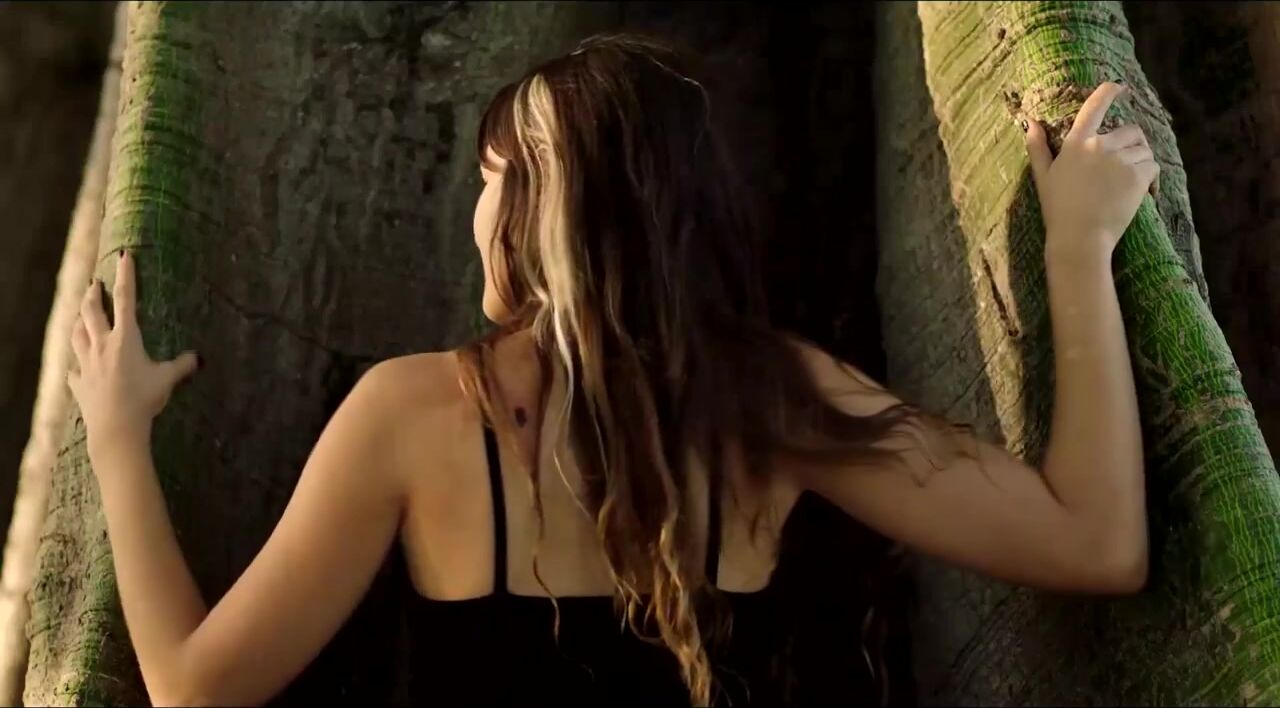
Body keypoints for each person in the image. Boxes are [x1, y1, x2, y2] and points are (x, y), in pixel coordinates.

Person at [67, 34, 1157, 707]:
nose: (477, 210)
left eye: (494, 176)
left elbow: (192, 691)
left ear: (546, 202)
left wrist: (117, 441)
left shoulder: (411, 412)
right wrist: (1075, 254)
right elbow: (1094, 542)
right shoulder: (771, 399)